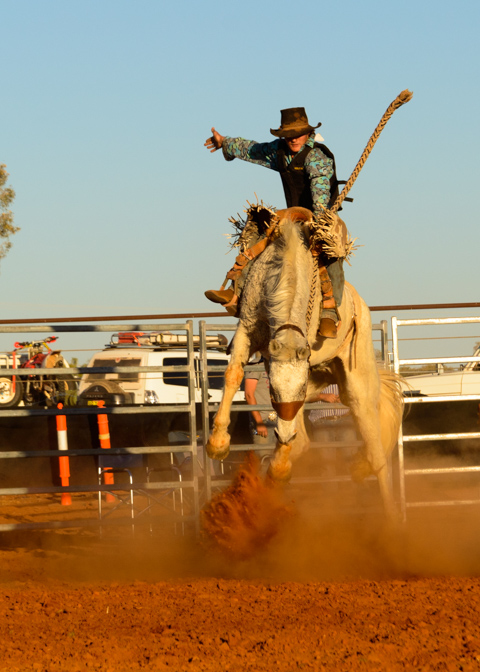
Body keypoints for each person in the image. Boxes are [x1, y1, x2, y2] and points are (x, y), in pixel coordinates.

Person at [204, 107, 346, 338]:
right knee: (256, 231)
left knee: (331, 252)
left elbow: (319, 194)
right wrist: (225, 143)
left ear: (308, 134)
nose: (293, 138)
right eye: (288, 135)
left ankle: (329, 311)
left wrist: (318, 224)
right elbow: (252, 149)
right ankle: (235, 292)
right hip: (293, 216)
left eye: (298, 133)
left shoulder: (318, 157)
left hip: (321, 218)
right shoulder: (278, 151)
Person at [309, 383, 357, 489]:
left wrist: (346, 396)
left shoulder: (344, 368)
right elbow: (303, 393)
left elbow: (358, 389)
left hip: (345, 418)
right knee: (327, 462)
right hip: (321, 420)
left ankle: (355, 495)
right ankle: (330, 497)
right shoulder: (313, 370)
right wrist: (321, 396)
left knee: (352, 459)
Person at [244, 356, 276, 462]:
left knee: (278, 460)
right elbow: (249, 394)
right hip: (263, 420)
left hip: (279, 420)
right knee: (263, 459)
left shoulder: (277, 364)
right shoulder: (256, 364)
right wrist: (259, 422)